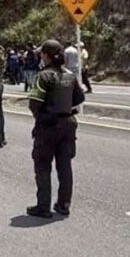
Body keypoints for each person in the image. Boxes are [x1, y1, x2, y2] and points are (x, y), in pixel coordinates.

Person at [26, 39, 85, 219]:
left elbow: (34, 104)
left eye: (42, 54)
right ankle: (63, 205)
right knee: (64, 166)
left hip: (48, 126)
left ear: (46, 55)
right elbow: (79, 98)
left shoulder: (42, 76)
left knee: (43, 165)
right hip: (68, 124)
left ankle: (43, 207)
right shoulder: (69, 75)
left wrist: (43, 117)